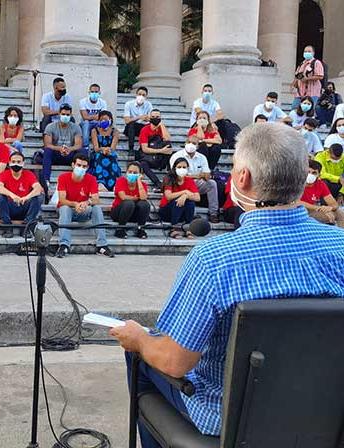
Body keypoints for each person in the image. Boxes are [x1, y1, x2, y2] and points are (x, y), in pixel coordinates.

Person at [109, 123, 344, 447]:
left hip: (227, 418)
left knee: (141, 353)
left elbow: (174, 360)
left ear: (243, 178)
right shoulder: (341, 246)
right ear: (304, 175)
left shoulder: (213, 259)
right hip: (325, 411)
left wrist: (138, 337)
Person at [55, 153, 113, 258]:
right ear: (73, 165)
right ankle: (64, 245)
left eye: (84, 166)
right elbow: (62, 200)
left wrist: (86, 203)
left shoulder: (91, 179)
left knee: (96, 208)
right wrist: (75, 204)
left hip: (83, 209)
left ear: (87, 168)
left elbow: (96, 199)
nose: (81, 168)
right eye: (79, 165)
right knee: (64, 208)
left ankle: (102, 245)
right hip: (68, 210)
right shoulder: (63, 177)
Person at [0, 151, 44, 238]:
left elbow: (38, 188)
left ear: (23, 163)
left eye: (18, 162)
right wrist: (12, 196)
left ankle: (26, 226)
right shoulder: (4, 174)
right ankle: (8, 227)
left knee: (39, 196)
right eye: (13, 162)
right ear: (9, 163)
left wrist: (26, 197)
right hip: (10, 208)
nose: (16, 164)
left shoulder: (29, 174)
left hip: (24, 206)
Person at [170, 138, 219, 223]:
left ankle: (213, 213)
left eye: (194, 143)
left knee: (212, 184)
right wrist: (197, 176)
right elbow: (176, 174)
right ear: (185, 143)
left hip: (197, 183)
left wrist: (204, 175)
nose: (191, 145)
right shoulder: (177, 156)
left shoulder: (202, 157)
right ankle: (192, 214)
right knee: (185, 184)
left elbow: (207, 175)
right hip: (181, 182)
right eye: (188, 142)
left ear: (198, 146)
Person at [42, 103, 84, 184]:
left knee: (83, 152)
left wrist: (69, 149)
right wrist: (60, 149)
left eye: (68, 114)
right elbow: (47, 144)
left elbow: (78, 145)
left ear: (71, 115)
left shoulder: (76, 127)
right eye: (63, 114)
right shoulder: (50, 127)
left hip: (70, 155)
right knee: (47, 151)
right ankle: (46, 180)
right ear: (59, 114)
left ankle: (82, 179)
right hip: (56, 154)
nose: (65, 116)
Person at [159, 157, 201, 238]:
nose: (182, 169)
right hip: (167, 211)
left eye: (184, 167)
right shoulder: (168, 179)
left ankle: (189, 228)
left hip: (182, 212)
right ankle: (174, 228)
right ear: (174, 168)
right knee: (176, 201)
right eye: (179, 167)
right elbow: (168, 196)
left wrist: (185, 196)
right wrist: (184, 192)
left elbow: (198, 198)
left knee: (190, 202)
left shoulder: (189, 180)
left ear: (187, 168)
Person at [300, 159, 344, 227]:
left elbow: (334, 204)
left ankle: (341, 235)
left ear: (319, 175)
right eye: (308, 172)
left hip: (313, 211)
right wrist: (318, 208)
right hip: (298, 212)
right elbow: (296, 202)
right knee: (328, 215)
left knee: (339, 212)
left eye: (314, 173)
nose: (310, 175)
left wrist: (329, 208)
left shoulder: (320, 184)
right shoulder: (297, 183)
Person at [110, 162, 149, 239]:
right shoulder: (121, 181)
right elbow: (123, 197)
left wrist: (138, 181)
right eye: (130, 172)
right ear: (126, 172)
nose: (132, 174)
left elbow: (143, 197)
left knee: (144, 204)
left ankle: (140, 229)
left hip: (133, 214)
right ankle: (120, 229)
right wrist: (136, 198)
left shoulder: (143, 184)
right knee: (129, 203)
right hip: (118, 212)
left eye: (135, 173)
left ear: (140, 174)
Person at [137, 109, 172, 190]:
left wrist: (162, 125)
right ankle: (157, 183)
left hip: (160, 158)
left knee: (170, 149)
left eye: (157, 117)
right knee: (142, 164)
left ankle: (170, 181)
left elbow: (167, 139)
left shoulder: (162, 129)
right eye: (153, 117)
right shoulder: (145, 129)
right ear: (150, 118)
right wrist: (161, 151)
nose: (155, 118)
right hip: (148, 157)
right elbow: (144, 149)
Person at [89, 110, 121, 191]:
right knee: (99, 156)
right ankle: (100, 183)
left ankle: (114, 184)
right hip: (98, 152)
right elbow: (96, 147)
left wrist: (108, 150)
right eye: (101, 119)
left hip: (110, 152)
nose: (104, 121)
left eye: (106, 119)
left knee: (112, 156)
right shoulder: (94, 131)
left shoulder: (115, 131)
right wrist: (102, 149)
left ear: (110, 120)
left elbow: (113, 147)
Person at [292, 45, 324, 109]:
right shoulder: (301, 64)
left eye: (309, 51)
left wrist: (307, 79)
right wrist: (294, 85)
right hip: (300, 93)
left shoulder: (316, 63)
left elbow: (320, 76)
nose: (307, 53)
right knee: (294, 108)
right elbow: (297, 76)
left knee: (310, 110)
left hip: (312, 93)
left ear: (313, 53)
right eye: (305, 51)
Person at [123, 86, 153, 153]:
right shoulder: (129, 104)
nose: (141, 96)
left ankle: (142, 149)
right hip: (130, 128)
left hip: (142, 127)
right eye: (139, 94)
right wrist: (139, 117)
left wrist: (147, 119)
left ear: (146, 97)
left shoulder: (148, 105)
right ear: (136, 95)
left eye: (143, 95)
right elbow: (126, 120)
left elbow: (151, 119)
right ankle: (131, 148)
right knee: (131, 124)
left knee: (149, 128)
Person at [79, 84, 107, 150]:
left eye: (96, 92)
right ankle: (85, 147)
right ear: (89, 92)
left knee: (105, 122)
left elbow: (103, 117)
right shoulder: (83, 101)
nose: (94, 94)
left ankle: (103, 146)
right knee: (86, 123)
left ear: (99, 93)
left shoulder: (103, 102)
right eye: (92, 92)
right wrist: (96, 116)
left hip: (97, 123)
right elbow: (85, 117)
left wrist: (90, 117)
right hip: (86, 123)